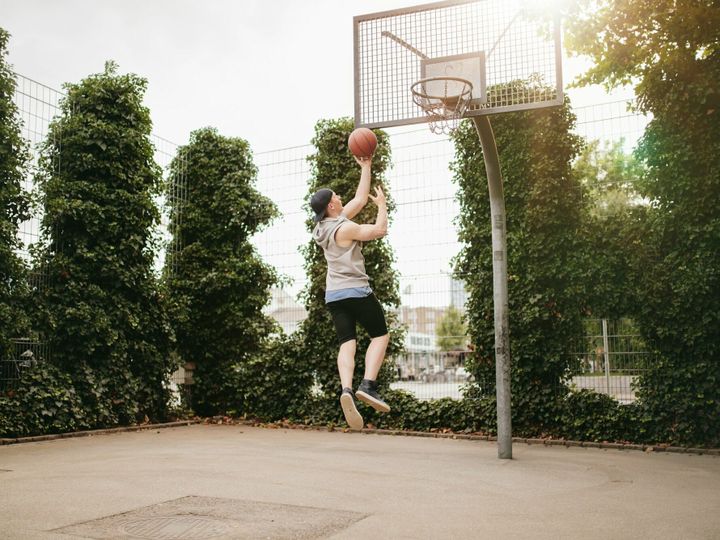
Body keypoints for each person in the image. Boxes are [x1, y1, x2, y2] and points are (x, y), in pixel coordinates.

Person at [310, 155, 390, 430]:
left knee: (348, 342)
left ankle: (346, 390)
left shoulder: (322, 227)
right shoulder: (346, 228)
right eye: (336, 196)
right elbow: (380, 230)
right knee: (380, 335)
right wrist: (383, 206)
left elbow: (358, 199)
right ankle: (368, 384)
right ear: (332, 205)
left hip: (334, 295)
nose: (341, 197)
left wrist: (366, 166)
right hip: (356, 291)